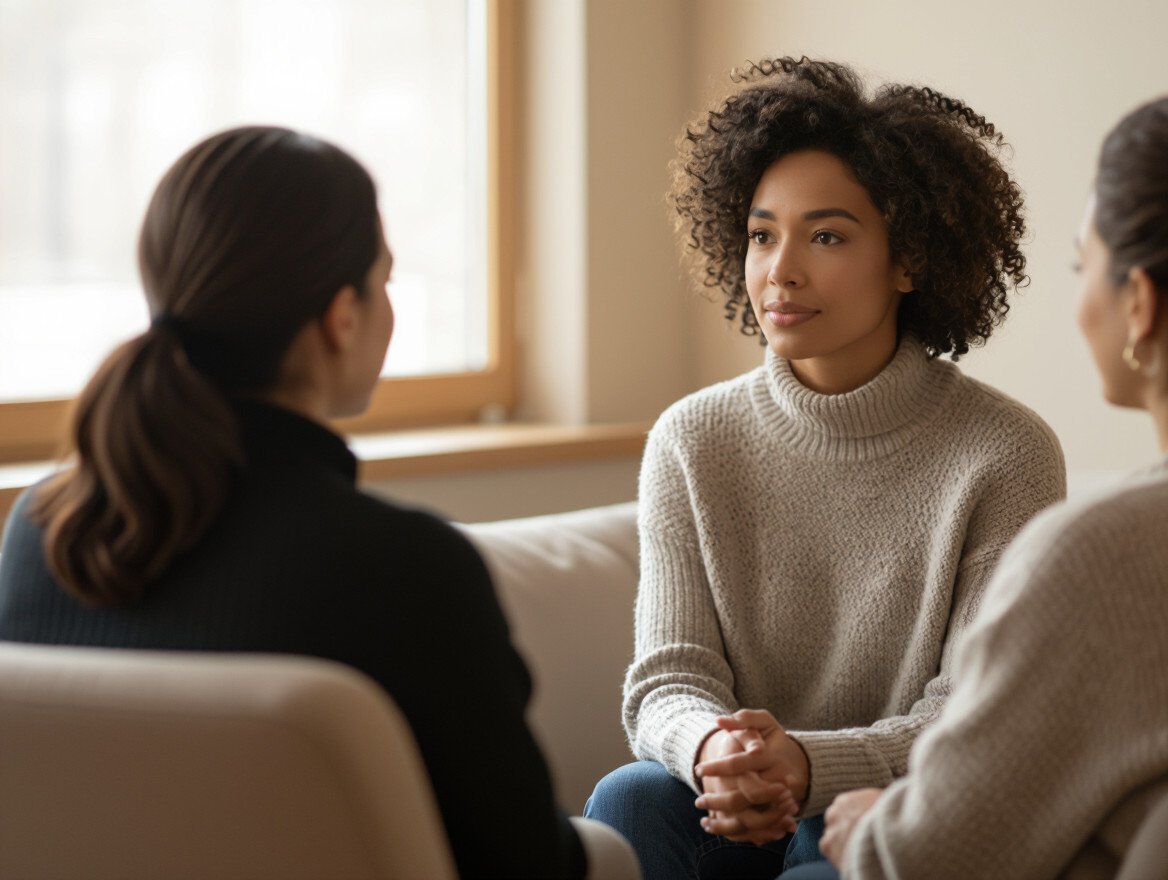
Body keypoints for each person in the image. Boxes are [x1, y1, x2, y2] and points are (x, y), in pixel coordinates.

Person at [0, 126, 586, 880]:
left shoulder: (39, 535)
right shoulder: (406, 569)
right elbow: (530, 863)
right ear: (342, 317)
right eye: (384, 281)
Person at [583, 56, 1066, 879]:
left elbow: (975, 712)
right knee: (630, 800)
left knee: (825, 858)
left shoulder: (1005, 452)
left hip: (903, 809)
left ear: (909, 259)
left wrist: (808, 765)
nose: (781, 269)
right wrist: (713, 751)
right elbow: (669, 677)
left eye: (827, 235)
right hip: (738, 801)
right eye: (762, 234)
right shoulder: (691, 440)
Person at [783, 94, 1168, 880]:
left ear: (1140, 305)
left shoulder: (1101, 557)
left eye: (1081, 266)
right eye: (762, 233)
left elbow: (930, 854)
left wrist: (865, 820)